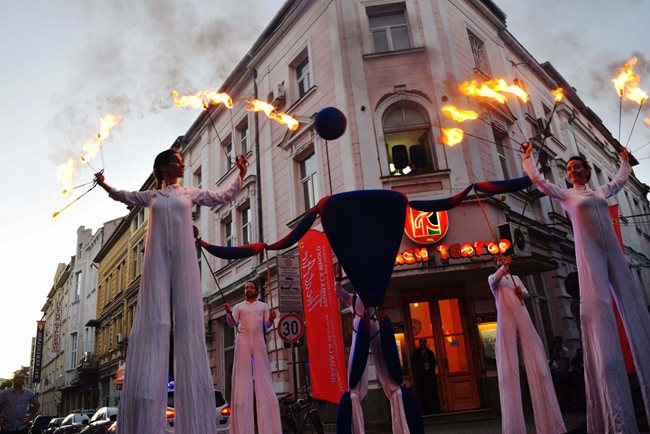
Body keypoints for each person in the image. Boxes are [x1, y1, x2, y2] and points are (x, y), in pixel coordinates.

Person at [95, 149, 247, 434]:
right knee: (157, 320)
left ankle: (194, 424)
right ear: (164, 168)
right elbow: (124, 196)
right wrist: (104, 184)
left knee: (188, 317)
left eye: (181, 161)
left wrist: (239, 174)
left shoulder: (188, 193)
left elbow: (222, 197)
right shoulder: (152, 197)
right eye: (177, 162)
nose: (182, 164)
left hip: (183, 261)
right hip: (157, 261)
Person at [522, 142, 650, 433]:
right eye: (568, 169)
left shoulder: (600, 191)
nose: (573, 170)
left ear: (586, 170)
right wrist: (527, 158)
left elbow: (618, 181)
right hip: (590, 254)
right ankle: (616, 417)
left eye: (576, 166)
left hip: (613, 253)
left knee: (630, 302)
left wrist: (624, 160)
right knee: (599, 310)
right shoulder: (566, 195)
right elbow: (539, 182)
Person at [488, 255, 565, 434]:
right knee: (508, 353)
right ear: (496, 264)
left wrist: (520, 293)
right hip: (506, 315)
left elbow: (526, 293)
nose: (501, 263)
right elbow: (496, 280)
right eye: (498, 261)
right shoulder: (493, 278)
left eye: (502, 260)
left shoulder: (515, 279)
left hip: (520, 310)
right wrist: (504, 266)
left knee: (532, 343)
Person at [225, 281, 282, 434]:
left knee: (263, 374)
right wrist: (228, 313)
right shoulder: (239, 307)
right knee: (242, 378)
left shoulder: (262, 306)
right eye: (246, 287)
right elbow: (232, 324)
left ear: (256, 290)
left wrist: (270, 319)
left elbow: (266, 325)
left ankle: (269, 426)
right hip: (242, 340)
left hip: (258, 341)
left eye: (250, 287)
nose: (248, 289)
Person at [410, 338, 441, 415]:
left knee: (433, 393)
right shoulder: (416, 354)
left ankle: (436, 410)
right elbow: (414, 365)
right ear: (419, 344)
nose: (423, 344)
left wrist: (430, 368)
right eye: (421, 342)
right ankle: (426, 410)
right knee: (423, 394)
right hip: (421, 377)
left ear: (426, 343)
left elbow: (434, 363)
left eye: (424, 342)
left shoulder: (430, 353)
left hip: (430, 376)